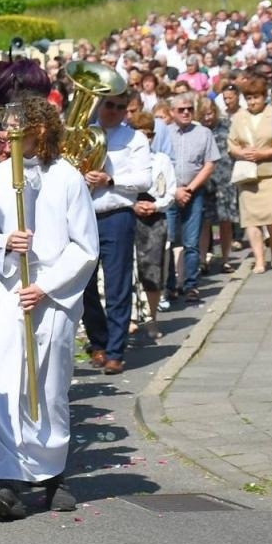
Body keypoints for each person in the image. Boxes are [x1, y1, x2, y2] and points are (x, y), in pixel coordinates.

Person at [0, 96, 99, 519]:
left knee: (47, 385)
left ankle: (50, 473)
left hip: (51, 296)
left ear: (40, 129)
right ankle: (1, 477)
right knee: (1, 381)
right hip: (8, 291)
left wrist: (46, 285)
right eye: (7, 129)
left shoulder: (67, 177)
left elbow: (85, 247)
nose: (9, 136)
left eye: (18, 128)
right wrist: (5, 243)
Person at [81, 92, 154, 375]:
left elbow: (144, 179)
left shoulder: (134, 138)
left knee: (117, 285)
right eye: (109, 104)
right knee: (83, 285)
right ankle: (98, 341)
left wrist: (111, 180)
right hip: (83, 215)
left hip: (117, 215)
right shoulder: (84, 134)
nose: (113, 111)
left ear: (128, 111)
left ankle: (114, 351)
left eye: (120, 107)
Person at [152, 93, 220, 302]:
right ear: (172, 112)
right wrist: (175, 191)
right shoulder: (164, 133)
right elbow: (158, 162)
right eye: (181, 109)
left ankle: (191, 284)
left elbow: (209, 164)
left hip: (193, 191)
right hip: (170, 192)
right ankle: (171, 286)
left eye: (189, 109)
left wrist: (190, 188)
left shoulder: (203, 133)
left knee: (191, 242)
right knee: (171, 240)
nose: (186, 112)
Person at [228, 79, 272, 273]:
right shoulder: (239, 117)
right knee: (251, 219)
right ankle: (259, 259)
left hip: (271, 171)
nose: (253, 102)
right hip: (248, 176)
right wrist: (240, 153)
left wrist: (265, 154)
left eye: (256, 97)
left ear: (264, 97)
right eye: (249, 98)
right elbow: (232, 143)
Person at [131, 110, 175, 336]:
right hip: (131, 215)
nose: (146, 139)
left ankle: (151, 319)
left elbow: (170, 192)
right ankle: (130, 317)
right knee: (130, 268)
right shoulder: (127, 161)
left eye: (149, 135)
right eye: (141, 134)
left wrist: (155, 206)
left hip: (155, 218)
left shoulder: (162, 160)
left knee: (153, 269)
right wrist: (133, 206)